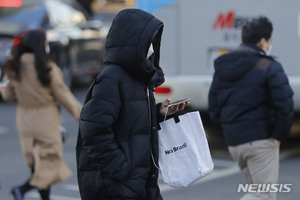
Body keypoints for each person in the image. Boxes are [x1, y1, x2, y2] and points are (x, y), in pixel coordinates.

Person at [76, 9, 188, 200]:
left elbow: (130, 119)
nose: (152, 46)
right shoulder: (112, 78)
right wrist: (121, 170)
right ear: (133, 41)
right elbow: (94, 131)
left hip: (139, 182)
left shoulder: (140, 78)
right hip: (116, 187)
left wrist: (158, 112)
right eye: (148, 40)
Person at [208, 16, 294, 200]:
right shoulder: (269, 66)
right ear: (263, 41)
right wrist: (279, 135)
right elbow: (284, 104)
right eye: (269, 40)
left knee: (255, 191)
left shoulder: (223, 66)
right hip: (260, 141)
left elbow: (214, 105)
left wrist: (227, 134)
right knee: (263, 195)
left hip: (235, 142)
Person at [1, 29, 82, 200]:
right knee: (49, 163)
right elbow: (64, 96)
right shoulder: (48, 69)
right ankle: (22, 189)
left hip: (24, 119)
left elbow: (8, 95)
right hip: (46, 118)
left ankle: (43, 197)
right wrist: (83, 116)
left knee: (35, 165)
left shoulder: (15, 67)